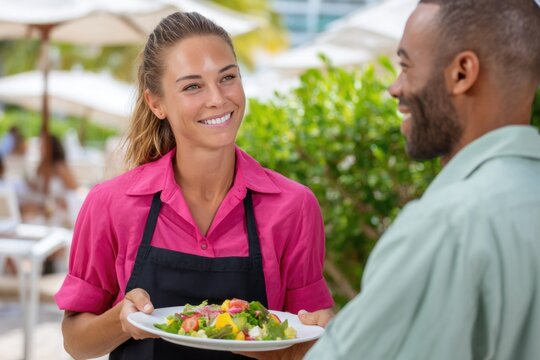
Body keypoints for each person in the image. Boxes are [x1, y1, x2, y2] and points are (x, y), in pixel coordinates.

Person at [250, 0, 540, 359]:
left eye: (406, 66)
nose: (394, 87)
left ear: (462, 73)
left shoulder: (445, 226)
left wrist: (294, 353)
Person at [54, 12, 334, 360]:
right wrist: (120, 320)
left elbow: (307, 344)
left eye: (228, 77)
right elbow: (75, 343)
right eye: (192, 86)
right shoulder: (110, 203)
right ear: (156, 103)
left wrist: (303, 336)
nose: (217, 98)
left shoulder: (294, 207)